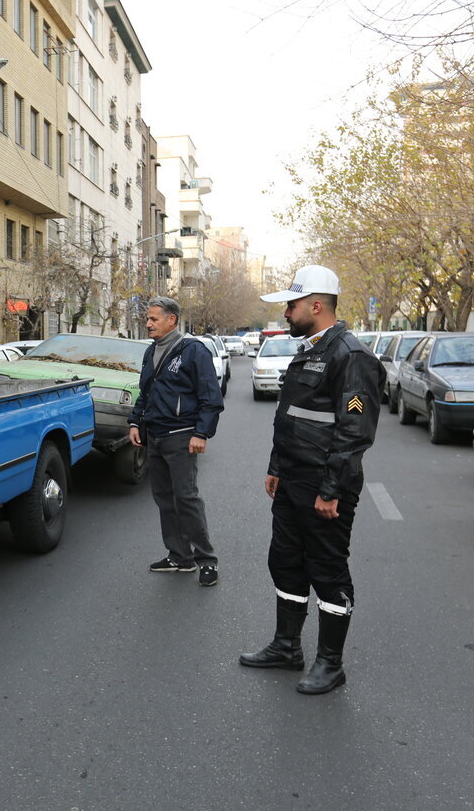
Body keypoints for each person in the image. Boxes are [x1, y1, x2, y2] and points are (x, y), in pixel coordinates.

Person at [239, 265, 384, 695]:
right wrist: (276, 466)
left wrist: (331, 489)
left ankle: (330, 663)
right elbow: (291, 417)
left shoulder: (350, 356)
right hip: (292, 480)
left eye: (292, 304)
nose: (286, 312)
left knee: (327, 570)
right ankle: (287, 647)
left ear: (316, 306)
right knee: (284, 561)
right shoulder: (308, 350)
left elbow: (354, 433)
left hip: (324, 486)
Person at [128, 296, 225, 586]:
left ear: (172, 319)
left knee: (186, 498)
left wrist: (201, 433)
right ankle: (179, 556)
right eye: (147, 319)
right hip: (155, 436)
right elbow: (144, 392)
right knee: (164, 499)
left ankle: (206, 559)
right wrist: (135, 421)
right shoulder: (151, 352)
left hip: (182, 436)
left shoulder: (193, 350)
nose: (148, 324)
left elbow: (211, 396)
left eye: (153, 319)